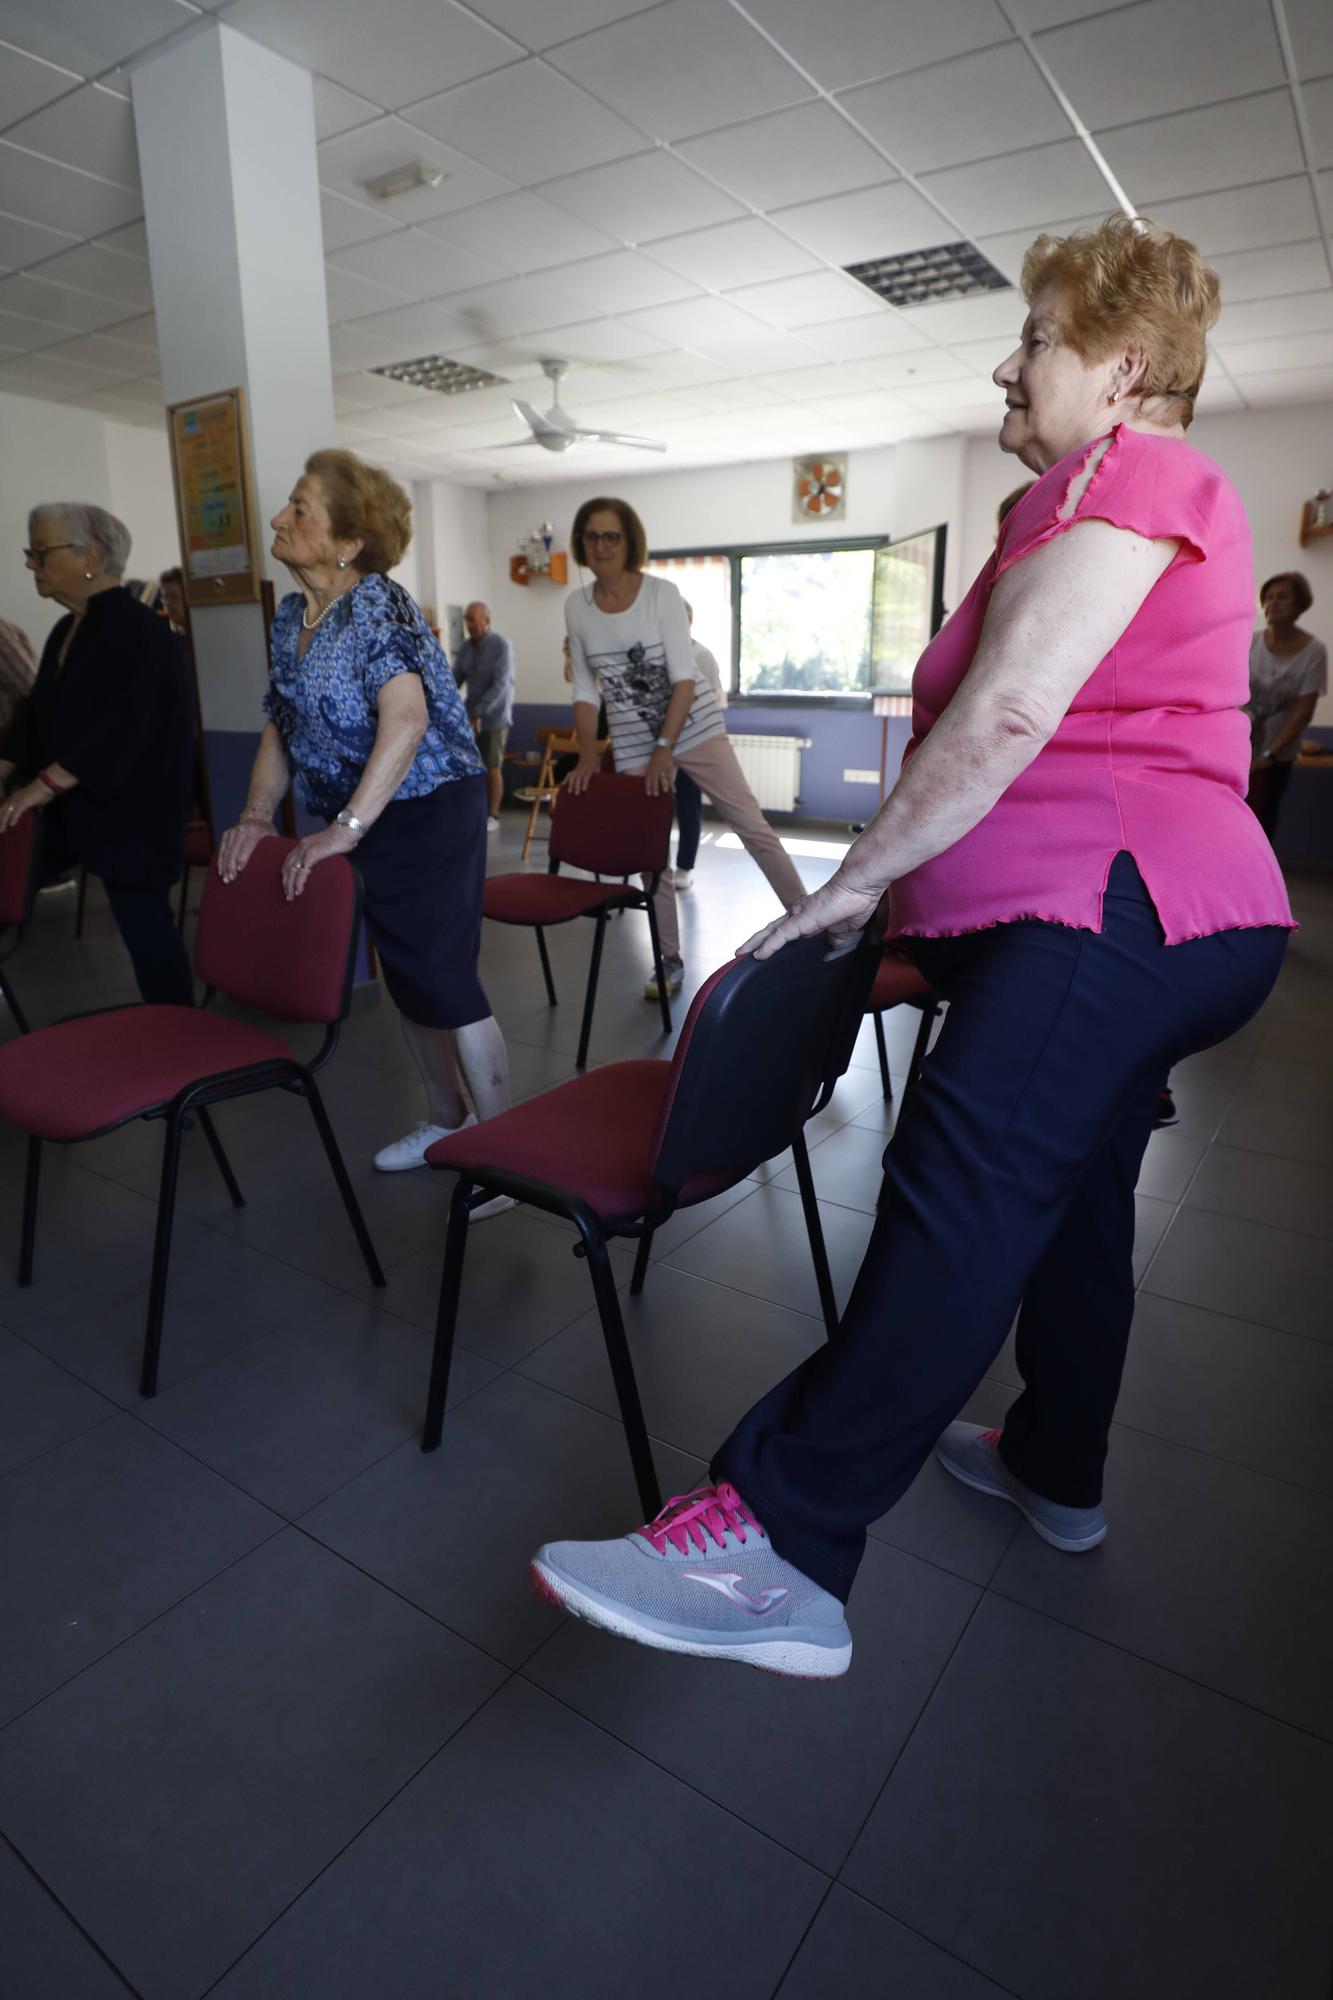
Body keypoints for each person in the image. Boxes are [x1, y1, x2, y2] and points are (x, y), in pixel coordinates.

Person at [532, 217, 1293, 1677]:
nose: (1006, 366)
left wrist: (837, 889)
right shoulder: (1072, 502)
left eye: (1036, 342)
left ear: (1120, 372)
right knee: (1067, 1195)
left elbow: (1008, 716)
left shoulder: (1140, 475)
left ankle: (781, 1540)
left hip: (1109, 907)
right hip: (1150, 917)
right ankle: (1055, 1466)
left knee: (961, 1182)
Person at [215, 449, 512, 1199]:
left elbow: (407, 722)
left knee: (443, 977)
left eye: (300, 509)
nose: (279, 519)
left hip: (431, 805)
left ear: (347, 541)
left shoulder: (378, 604)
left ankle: (508, 1156)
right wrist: (255, 814)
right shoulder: (292, 618)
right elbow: (280, 726)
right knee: (411, 976)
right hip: (374, 814)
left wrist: (343, 827)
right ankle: (447, 1120)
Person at [563, 498, 805, 1000]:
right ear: (581, 544)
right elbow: (586, 690)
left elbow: (683, 680)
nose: (601, 546)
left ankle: (813, 925)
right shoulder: (577, 607)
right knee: (652, 857)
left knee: (751, 826)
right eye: (592, 536)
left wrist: (664, 751)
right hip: (632, 742)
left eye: (611, 536)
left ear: (629, 541)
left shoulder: (660, 595)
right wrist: (589, 756)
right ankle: (668, 960)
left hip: (692, 726)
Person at [0, 503, 194, 1004]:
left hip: (135, 813)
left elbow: (121, 732)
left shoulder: (140, 631)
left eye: (40, 551)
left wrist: (36, 790)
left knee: (147, 930)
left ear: (90, 556)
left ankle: (183, 1040)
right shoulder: (68, 630)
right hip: (76, 808)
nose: (30, 563)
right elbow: (35, 723)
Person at [1244, 572, 1326, 841]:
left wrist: (1267, 756)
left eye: (1282, 597)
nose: (1273, 603)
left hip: (1276, 756)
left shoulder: (1313, 652)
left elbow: (1302, 714)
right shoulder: (1248, 641)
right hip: (1238, 748)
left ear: (1300, 604)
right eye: (1268, 597)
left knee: (1262, 822)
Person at [671, 597, 727, 892]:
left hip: (693, 742)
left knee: (688, 805)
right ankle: (653, 863)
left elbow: (712, 705)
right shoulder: (661, 654)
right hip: (662, 744)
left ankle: (683, 867)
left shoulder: (704, 656)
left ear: (689, 621)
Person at [453, 601, 515, 832]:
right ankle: (473, 810)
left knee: (492, 766)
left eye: (473, 619)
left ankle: (493, 815)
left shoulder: (501, 646)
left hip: (495, 717)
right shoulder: (466, 647)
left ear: (486, 621)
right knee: (469, 766)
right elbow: (454, 679)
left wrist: (478, 713)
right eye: (467, 619)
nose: (468, 624)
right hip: (470, 716)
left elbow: (500, 686)